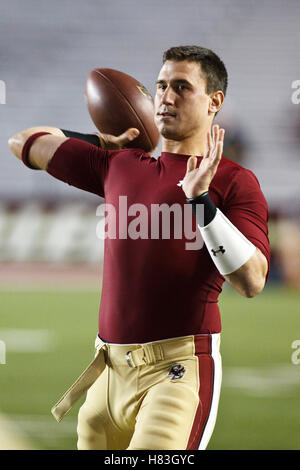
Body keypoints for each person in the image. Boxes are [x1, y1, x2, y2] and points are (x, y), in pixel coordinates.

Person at [8, 45, 270, 450]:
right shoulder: (119, 164)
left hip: (176, 373)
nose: (165, 97)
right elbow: (24, 142)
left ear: (215, 101)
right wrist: (102, 140)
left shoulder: (234, 181)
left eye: (182, 87)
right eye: (161, 86)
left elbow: (252, 280)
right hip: (106, 373)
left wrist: (201, 201)